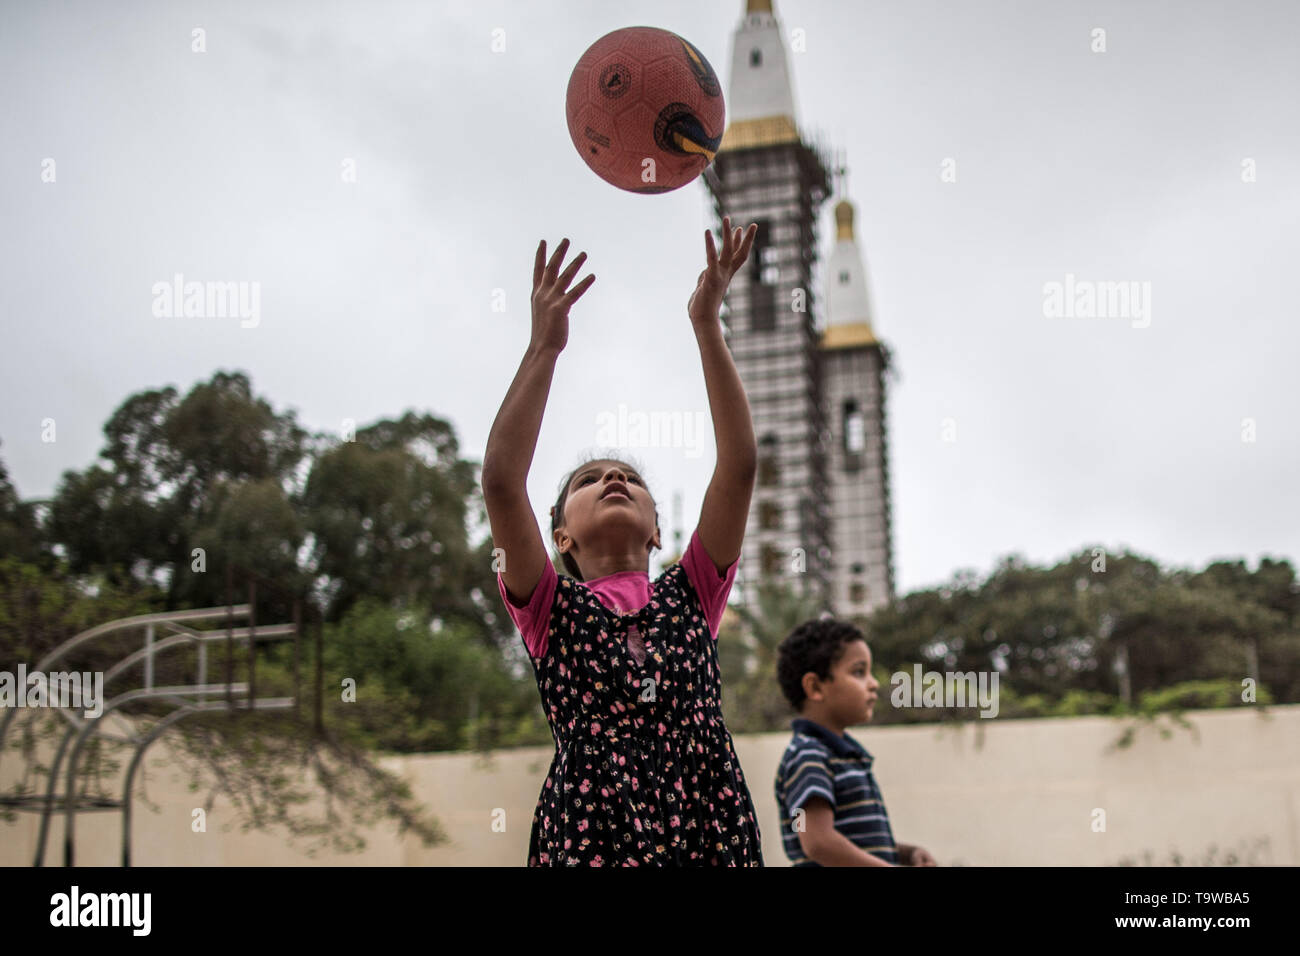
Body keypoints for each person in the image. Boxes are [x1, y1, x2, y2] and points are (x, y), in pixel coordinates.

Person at [481, 218, 764, 866]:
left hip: (706, 828)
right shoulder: (548, 610)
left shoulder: (693, 593)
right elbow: (501, 480)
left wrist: (706, 324)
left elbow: (741, 463)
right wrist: (544, 347)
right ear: (560, 536)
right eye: (589, 480)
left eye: (631, 478)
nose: (614, 477)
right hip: (593, 837)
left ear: (659, 530)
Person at [773, 617, 937, 867]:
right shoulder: (808, 756)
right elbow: (816, 842)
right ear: (816, 687)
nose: (873, 684)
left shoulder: (842, 755)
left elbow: (853, 843)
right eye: (859, 672)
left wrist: (905, 853)